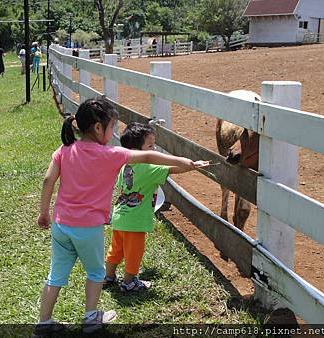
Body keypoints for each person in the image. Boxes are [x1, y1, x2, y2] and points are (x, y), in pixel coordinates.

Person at [36, 97, 209, 333]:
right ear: (98, 127)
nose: (113, 132)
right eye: (111, 127)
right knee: (96, 273)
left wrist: (44, 213)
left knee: (56, 274)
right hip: (88, 228)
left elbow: (48, 180)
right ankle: (90, 320)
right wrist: (185, 162)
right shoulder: (111, 154)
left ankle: (43, 322)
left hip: (61, 225)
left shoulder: (64, 150)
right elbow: (149, 157)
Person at [104, 122, 200, 292]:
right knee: (134, 253)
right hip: (136, 221)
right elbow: (172, 170)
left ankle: (109, 276)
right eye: (150, 146)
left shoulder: (125, 165)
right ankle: (129, 282)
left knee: (116, 250)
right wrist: (191, 165)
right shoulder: (149, 168)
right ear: (138, 149)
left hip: (119, 216)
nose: (153, 149)